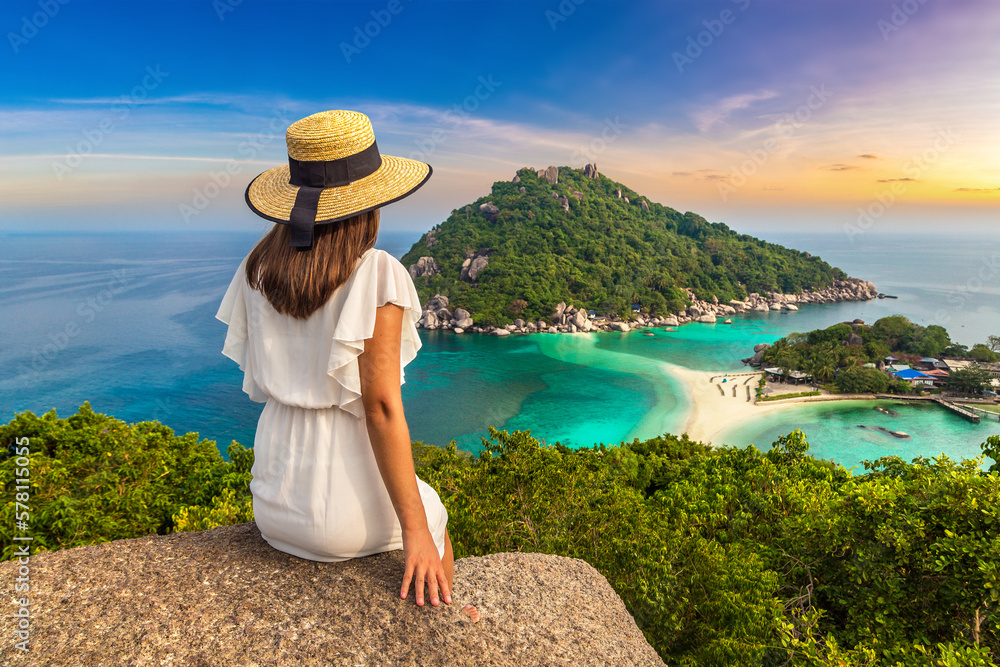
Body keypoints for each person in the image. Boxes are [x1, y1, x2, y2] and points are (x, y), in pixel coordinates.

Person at [215, 110, 452, 607]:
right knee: (435, 515)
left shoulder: (258, 267)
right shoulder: (377, 273)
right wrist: (416, 531)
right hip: (341, 509)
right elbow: (381, 407)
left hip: (274, 500)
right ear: (370, 201)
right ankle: (437, 630)